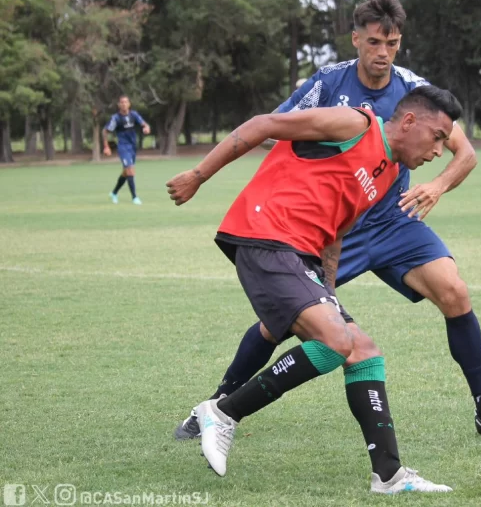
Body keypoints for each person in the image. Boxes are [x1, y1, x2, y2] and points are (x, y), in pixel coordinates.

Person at [175, 0, 481, 442]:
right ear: (356, 38)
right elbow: (275, 127)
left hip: (396, 221)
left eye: (392, 44)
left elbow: (465, 152)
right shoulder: (328, 83)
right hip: (339, 226)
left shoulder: (414, 90)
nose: (383, 53)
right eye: (375, 42)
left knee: (454, 292)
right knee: (277, 323)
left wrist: (435, 186)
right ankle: (214, 405)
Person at [166, 85, 462, 493]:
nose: (439, 151)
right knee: (336, 340)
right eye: (438, 137)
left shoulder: (389, 173)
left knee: (363, 351)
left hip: (300, 256)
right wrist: (198, 176)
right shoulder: (354, 124)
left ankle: (389, 476)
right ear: (409, 121)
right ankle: (224, 412)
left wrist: (328, 289)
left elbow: (337, 230)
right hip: (265, 235)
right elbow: (262, 125)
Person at [103, 95, 150, 205]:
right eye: (122, 102)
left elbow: (144, 124)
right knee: (130, 170)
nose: (124, 104)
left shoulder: (134, 115)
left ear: (129, 104)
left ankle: (114, 193)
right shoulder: (116, 118)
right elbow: (105, 131)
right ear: (119, 105)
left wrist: (146, 128)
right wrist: (106, 146)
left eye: (126, 102)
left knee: (126, 173)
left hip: (133, 147)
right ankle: (134, 197)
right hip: (123, 147)